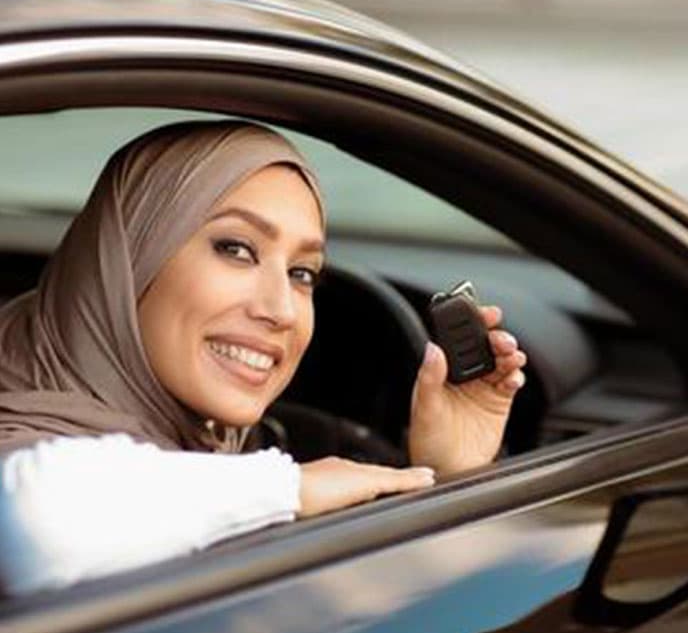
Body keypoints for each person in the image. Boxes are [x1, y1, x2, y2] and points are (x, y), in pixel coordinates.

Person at [0, 120, 527, 594]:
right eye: (236, 249)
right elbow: (39, 521)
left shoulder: (223, 443)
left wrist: (449, 477)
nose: (281, 310)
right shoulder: (25, 448)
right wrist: (291, 489)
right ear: (127, 259)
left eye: (302, 273)